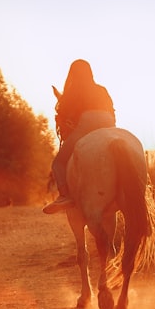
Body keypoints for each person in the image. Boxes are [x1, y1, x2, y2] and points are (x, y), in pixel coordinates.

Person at [43, 59, 116, 214]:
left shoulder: (72, 92)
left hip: (88, 123)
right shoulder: (101, 89)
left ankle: (65, 196)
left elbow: (65, 118)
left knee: (58, 163)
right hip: (109, 123)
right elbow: (112, 111)